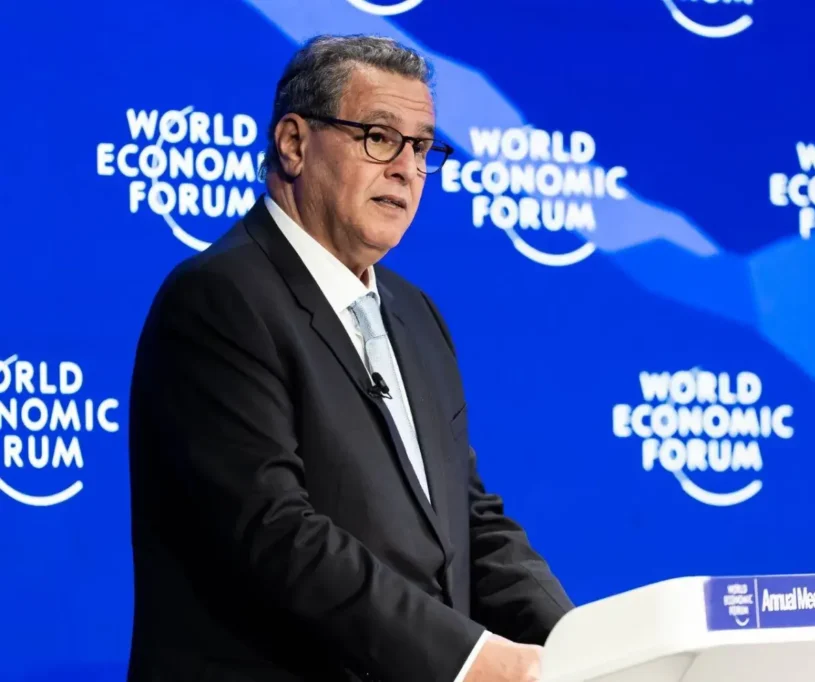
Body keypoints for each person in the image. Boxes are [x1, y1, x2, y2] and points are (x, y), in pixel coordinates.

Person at [126, 34, 574, 682]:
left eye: (421, 147)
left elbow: (467, 521)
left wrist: (580, 647)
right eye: (379, 137)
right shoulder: (219, 300)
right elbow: (277, 533)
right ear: (293, 143)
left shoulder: (416, 316)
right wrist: (472, 659)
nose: (406, 168)